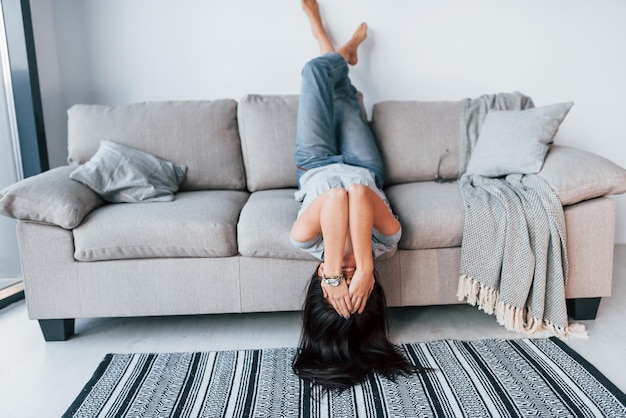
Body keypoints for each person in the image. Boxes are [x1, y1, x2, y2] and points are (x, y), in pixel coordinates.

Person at [291, 0, 426, 390]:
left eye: (339, 287)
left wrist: (334, 265)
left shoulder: (307, 241)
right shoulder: (385, 243)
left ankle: (331, 43)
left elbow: (334, 200)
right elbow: (356, 192)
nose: (349, 279)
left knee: (318, 71)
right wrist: (366, 264)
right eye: (358, 289)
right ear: (370, 288)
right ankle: (343, 52)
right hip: (363, 165)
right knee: (343, 90)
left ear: (323, 280)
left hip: (314, 162)